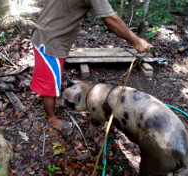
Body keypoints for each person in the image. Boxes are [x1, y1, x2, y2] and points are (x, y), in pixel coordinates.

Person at [30, 0, 151, 129]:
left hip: (48, 33)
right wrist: (136, 41)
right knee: (49, 84)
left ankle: (54, 95)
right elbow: (110, 20)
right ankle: (51, 119)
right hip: (50, 41)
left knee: (52, 77)